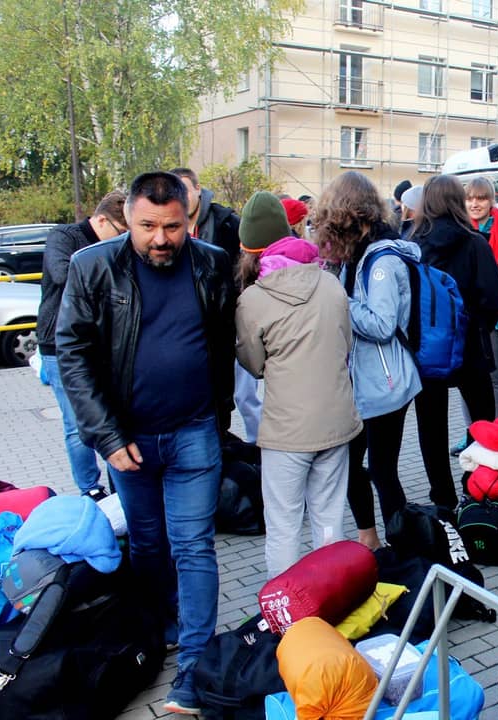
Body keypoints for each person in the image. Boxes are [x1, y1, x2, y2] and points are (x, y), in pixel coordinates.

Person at [56, 171, 236, 715]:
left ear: (189, 219)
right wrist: (106, 436)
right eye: (148, 226)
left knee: (193, 545)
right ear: (128, 219)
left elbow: (223, 345)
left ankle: (194, 668)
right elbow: (73, 353)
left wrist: (221, 418)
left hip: (194, 433)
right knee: (149, 545)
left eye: (172, 227)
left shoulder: (211, 263)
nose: (161, 238)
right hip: (127, 443)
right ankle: (163, 628)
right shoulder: (92, 266)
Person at [235, 192, 362, 579]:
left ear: (249, 250)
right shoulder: (330, 283)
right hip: (337, 421)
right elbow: (346, 346)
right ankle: (333, 597)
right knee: (329, 521)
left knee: (284, 525)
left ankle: (287, 607)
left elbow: (252, 363)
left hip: (287, 430)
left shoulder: (253, 299)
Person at [316, 172, 423, 550]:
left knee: (382, 470)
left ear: (352, 217)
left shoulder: (382, 260)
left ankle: (404, 547)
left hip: (387, 383)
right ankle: (370, 540)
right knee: (348, 464)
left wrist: (338, 299)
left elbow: (381, 324)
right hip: (362, 382)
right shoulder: (357, 254)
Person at [411, 174, 498, 509]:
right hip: (469, 346)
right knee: (482, 422)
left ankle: (443, 497)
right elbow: (495, 296)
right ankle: (480, 488)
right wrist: (478, 325)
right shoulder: (474, 242)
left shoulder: (413, 244)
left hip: (426, 350)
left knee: (431, 427)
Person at [36, 191, 128, 492]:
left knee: (114, 417)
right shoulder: (64, 237)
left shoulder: (117, 248)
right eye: (120, 232)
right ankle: (90, 488)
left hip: (104, 343)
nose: (123, 240)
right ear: (100, 220)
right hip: (59, 345)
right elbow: (62, 275)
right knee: (77, 423)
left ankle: (120, 485)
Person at [449, 177, 498, 453]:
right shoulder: (459, 230)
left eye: (481, 198)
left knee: (495, 377)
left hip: (493, 317)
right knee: (467, 378)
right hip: (466, 317)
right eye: (470, 198)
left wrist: (483, 306)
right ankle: (473, 434)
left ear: (492, 201)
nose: (475, 204)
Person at [170, 167, 242, 267]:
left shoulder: (227, 223)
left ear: (198, 189)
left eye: (185, 192)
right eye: (175, 194)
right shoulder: (166, 228)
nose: (181, 199)